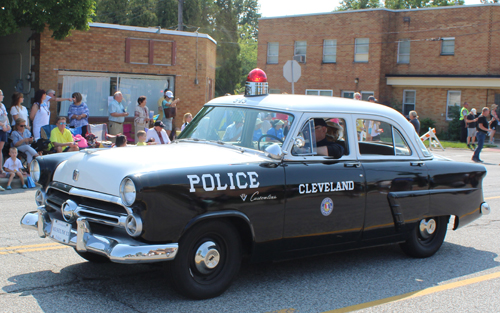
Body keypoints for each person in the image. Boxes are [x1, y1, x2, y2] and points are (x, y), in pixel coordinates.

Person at [0, 89, 12, 176]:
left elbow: (6, 116)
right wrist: (2, 125)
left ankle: (0, 168)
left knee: (0, 149)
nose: (3, 96)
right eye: (1, 94)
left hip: (3, 130)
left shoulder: (2, 106)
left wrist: (8, 125)